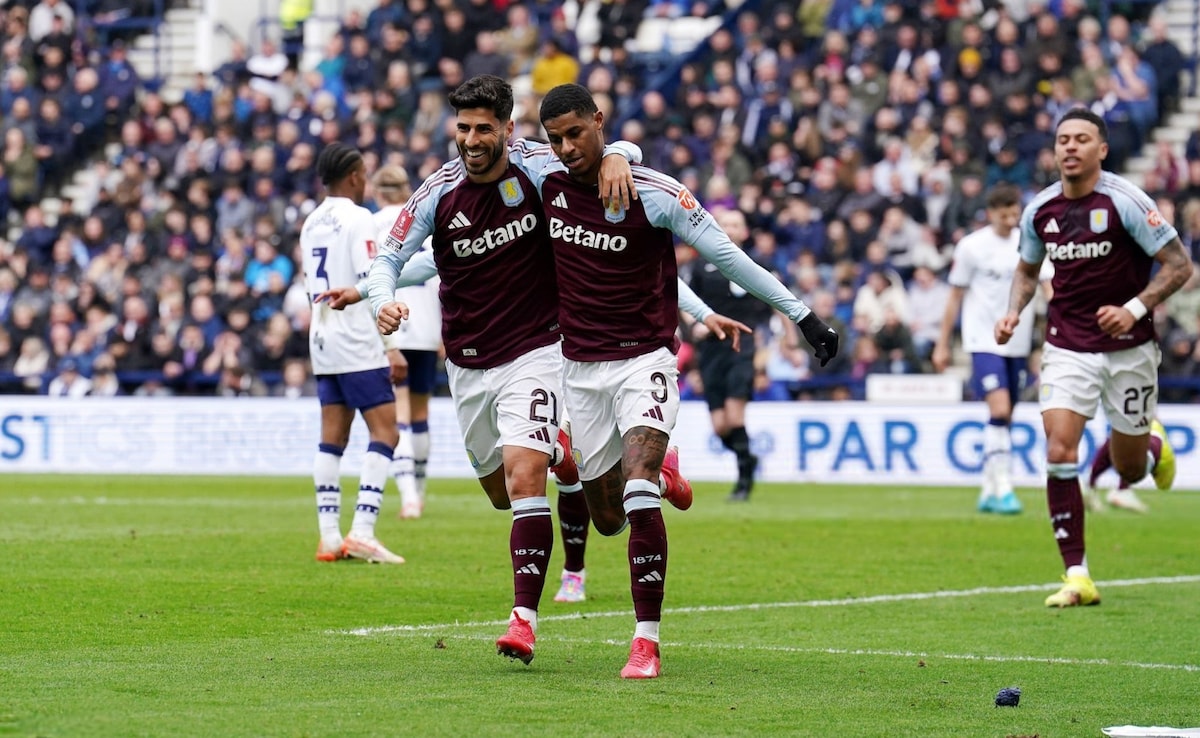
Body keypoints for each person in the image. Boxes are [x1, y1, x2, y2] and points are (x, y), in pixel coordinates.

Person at [534, 83, 839, 677]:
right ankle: (666, 470)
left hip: (645, 359)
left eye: (578, 133)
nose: (568, 147)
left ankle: (645, 642)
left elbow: (729, 257)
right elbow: (483, 165)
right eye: (556, 139)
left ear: (598, 120)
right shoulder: (543, 181)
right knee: (605, 517)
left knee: (638, 486)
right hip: (579, 368)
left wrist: (801, 314)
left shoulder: (656, 196)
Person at [995, 108, 1193, 608]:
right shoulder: (1039, 210)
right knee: (1060, 450)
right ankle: (1077, 574)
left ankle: (1149, 447)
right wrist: (1013, 313)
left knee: (1128, 470)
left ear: (1101, 149)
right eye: (1063, 139)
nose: (1070, 147)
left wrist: (1132, 309)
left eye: (1082, 139)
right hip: (1066, 345)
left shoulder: (1126, 202)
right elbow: (1025, 269)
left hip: (1130, 349)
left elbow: (1179, 266)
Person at [301, 142, 406, 565]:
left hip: (321, 338)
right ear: (354, 176)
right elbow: (368, 283)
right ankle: (362, 530)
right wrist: (390, 346)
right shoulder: (359, 218)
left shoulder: (310, 221)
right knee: (387, 433)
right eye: (363, 174)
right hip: (357, 340)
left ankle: (329, 536)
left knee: (332, 438)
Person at [932, 183, 1052, 515]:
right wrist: (943, 344)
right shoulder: (972, 247)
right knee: (999, 410)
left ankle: (988, 487)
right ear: (991, 214)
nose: (1011, 220)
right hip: (983, 340)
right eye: (1005, 215)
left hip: (1019, 341)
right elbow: (954, 296)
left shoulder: (1029, 243)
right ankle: (1003, 487)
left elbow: (1048, 287)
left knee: (1006, 417)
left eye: (1015, 213)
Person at [685, 207, 773, 502]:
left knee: (735, 417)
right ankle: (748, 458)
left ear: (745, 231)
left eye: (736, 224)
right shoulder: (701, 267)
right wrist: (694, 326)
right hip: (710, 349)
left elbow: (775, 300)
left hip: (740, 347)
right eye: (726, 224)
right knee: (720, 426)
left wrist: (786, 342)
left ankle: (744, 481)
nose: (732, 229)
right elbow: (685, 302)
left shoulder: (754, 264)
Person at [370, 164, 443, 520]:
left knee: (398, 412)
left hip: (391, 322)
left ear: (376, 191)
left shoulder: (373, 225)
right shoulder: (423, 220)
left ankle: (409, 497)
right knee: (420, 414)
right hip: (428, 324)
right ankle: (421, 486)